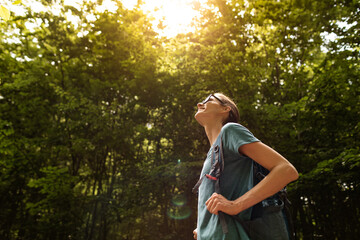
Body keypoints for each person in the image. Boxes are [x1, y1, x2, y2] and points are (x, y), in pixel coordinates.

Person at [193, 93, 299, 240]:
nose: (200, 103)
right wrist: (205, 226)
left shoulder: (230, 131)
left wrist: (235, 205)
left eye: (209, 100)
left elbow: (286, 170)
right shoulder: (210, 156)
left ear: (225, 109)